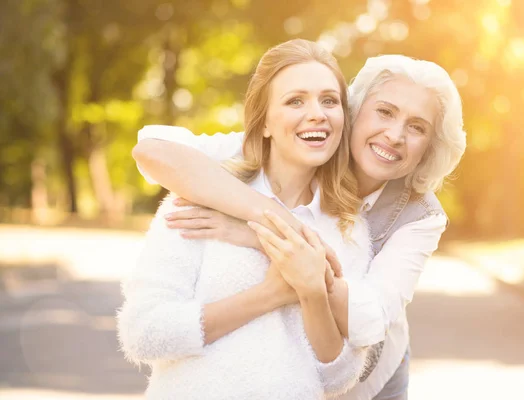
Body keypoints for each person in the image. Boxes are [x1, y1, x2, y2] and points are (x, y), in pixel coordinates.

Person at [133, 54, 467, 399]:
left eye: (417, 127)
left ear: (429, 146)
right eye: (384, 111)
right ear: (354, 111)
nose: (395, 135)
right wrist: (273, 217)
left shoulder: (420, 215)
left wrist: (266, 239)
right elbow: (154, 149)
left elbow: (368, 321)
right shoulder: (301, 141)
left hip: (372, 377)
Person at [117, 39, 374, 400]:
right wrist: (268, 295)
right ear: (264, 123)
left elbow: (339, 378)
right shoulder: (199, 200)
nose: (317, 113)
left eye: (329, 100)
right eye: (295, 100)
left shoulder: (349, 227)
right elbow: (143, 333)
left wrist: (312, 291)